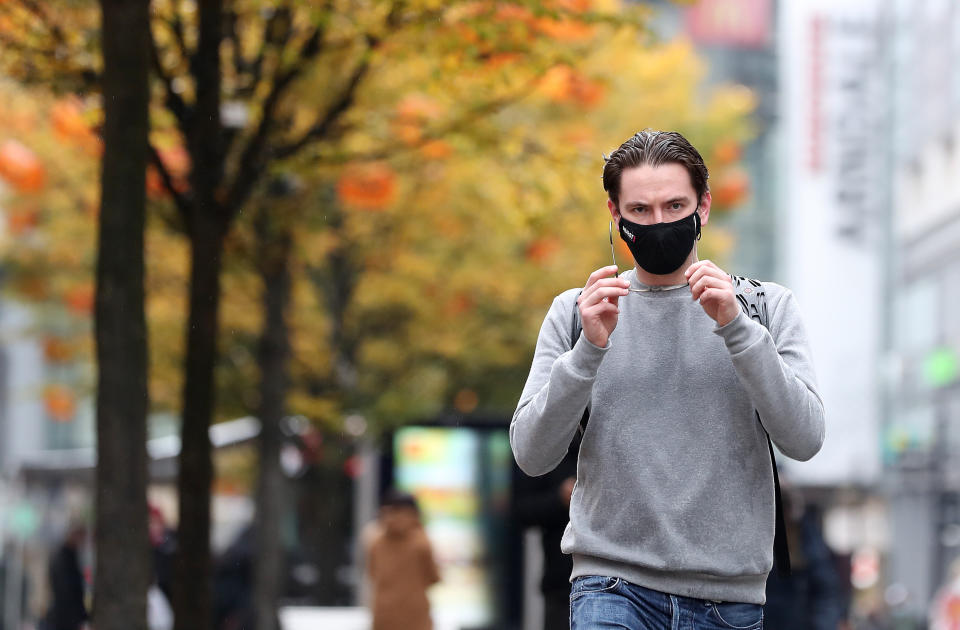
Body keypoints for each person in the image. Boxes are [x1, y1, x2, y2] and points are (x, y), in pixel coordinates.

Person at [511, 130, 825, 629]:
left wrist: (737, 330)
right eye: (641, 210)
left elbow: (804, 439)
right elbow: (532, 453)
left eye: (674, 205)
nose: (659, 223)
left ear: (703, 208)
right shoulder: (576, 312)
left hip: (729, 599)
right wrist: (588, 349)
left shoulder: (765, 307)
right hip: (610, 586)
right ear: (615, 215)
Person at [512, 431, 579, 630]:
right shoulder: (553, 446)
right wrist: (560, 498)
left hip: (612, 582)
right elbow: (521, 510)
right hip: (560, 585)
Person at [363, 490, 440, 630]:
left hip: (384, 615)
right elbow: (434, 577)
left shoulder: (375, 541)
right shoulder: (421, 542)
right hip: (416, 616)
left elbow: (372, 573)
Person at [42, 523, 88, 630]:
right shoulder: (64, 558)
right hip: (65, 618)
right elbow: (68, 589)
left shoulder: (66, 555)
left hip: (64, 616)